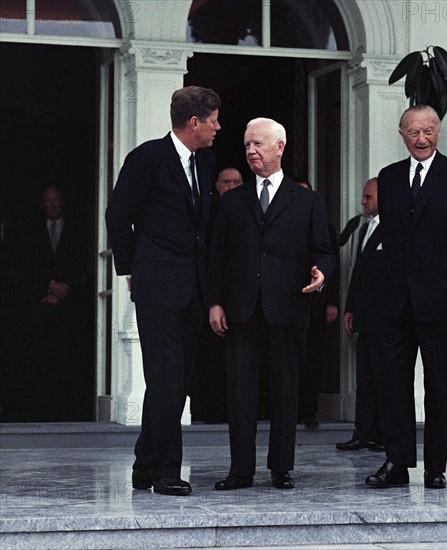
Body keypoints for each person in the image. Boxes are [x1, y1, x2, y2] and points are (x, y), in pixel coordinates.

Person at [208, 117, 336, 491]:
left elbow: (324, 251)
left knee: (285, 390)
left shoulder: (308, 201)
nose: (251, 151)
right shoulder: (233, 201)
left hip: (289, 308)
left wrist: (322, 274)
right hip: (242, 310)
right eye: (247, 144)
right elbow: (217, 257)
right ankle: (240, 470)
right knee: (240, 392)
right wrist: (215, 303)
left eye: (258, 144)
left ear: (280, 147)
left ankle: (281, 467)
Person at [105, 86, 221, 496]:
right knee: (168, 379)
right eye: (213, 121)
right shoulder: (147, 158)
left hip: (192, 290)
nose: (217, 128)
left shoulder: (205, 164)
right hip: (157, 288)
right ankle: (167, 472)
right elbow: (118, 214)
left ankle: (144, 464)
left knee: (171, 380)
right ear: (194, 123)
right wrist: (131, 268)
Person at [366, 105, 447, 490]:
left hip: (440, 303)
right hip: (395, 302)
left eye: (428, 131)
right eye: (414, 132)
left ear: (438, 132)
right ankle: (397, 463)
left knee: (438, 386)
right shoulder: (389, 177)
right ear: (402, 134)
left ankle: (436, 467)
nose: (421, 139)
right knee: (394, 385)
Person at [11, 185, 90, 421]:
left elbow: (89, 265)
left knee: (69, 362)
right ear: (41, 205)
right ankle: (40, 412)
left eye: (56, 200)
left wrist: (67, 291)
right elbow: (22, 265)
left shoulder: (79, 230)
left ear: (63, 202)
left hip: (71, 308)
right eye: (47, 201)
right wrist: (48, 286)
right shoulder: (31, 232)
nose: (52, 205)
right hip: (40, 307)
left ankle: (69, 413)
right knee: (40, 362)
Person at [336, 178, 385, 452]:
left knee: (384, 379)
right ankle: (363, 432)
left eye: (368, 197)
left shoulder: (394, 229)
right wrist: (350, 308)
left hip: (385, 320)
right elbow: (358, 272)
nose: (363, 202)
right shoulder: (365, 229)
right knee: (364, 379)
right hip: (364, 318)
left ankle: (384, 434)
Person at [192, 167, 243, 423]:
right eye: (226, 182)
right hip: (208, 299)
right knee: (210, 358)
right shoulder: (206, 217)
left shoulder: (253, 213)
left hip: (243, 299)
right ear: (216, 186)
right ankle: (211, 412)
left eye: (237, 182)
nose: (232, 187)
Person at [295, 178, 340, 428]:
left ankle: (309, 411)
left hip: (314, 305)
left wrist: (331, 302)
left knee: (312, 359)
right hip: (286, 304)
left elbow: (331, 266)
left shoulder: (326, 228)